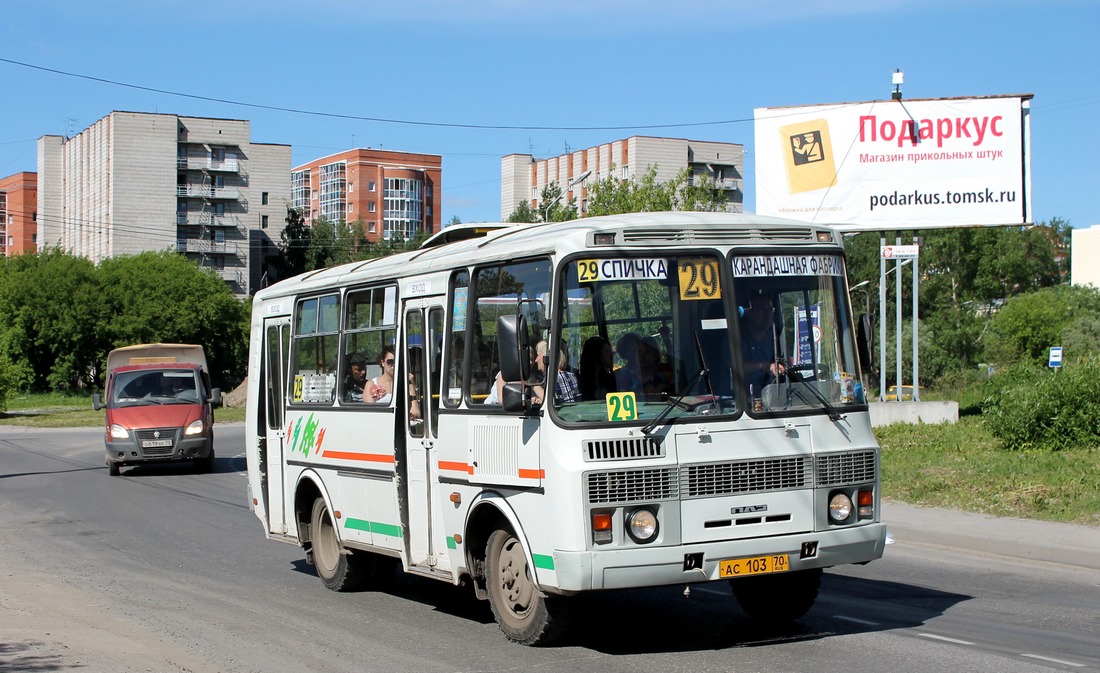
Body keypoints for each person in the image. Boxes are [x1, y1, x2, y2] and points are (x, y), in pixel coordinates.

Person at [741, 293, 786, 395]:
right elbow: (733, 366)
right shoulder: (737, 339)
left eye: (770, 309)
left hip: (774, 394)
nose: (767, 314)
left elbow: (784, 361)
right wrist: (763, 366)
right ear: (749, 313)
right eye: (762, 309)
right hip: (741, 398)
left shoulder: (775, 337)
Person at [366, 346, 421, 419]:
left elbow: (416, 413)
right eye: (390, 362)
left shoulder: (408, 385)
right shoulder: (371, 383)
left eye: (398, 362)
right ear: (382, 363)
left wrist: (411, 416)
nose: (394, 365)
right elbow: (369, 413)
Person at [615, 332, 673, 396]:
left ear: (655, 354)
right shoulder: (625, 375)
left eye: (646, 352)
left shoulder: (665, 371)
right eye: (639, 352)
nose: (642, 356)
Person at [531, 340, 579, 406]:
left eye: (538, 355)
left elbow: (552, 404)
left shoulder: (560, 377)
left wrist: (534, 383)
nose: (536, 360)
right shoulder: (570, 375)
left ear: (546, 357)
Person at [579, 336, 616, 401]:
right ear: (597, 355)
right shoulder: (581, 382)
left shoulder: (611, 378)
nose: (611, 355)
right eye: (606, 351)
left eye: (611, 351)